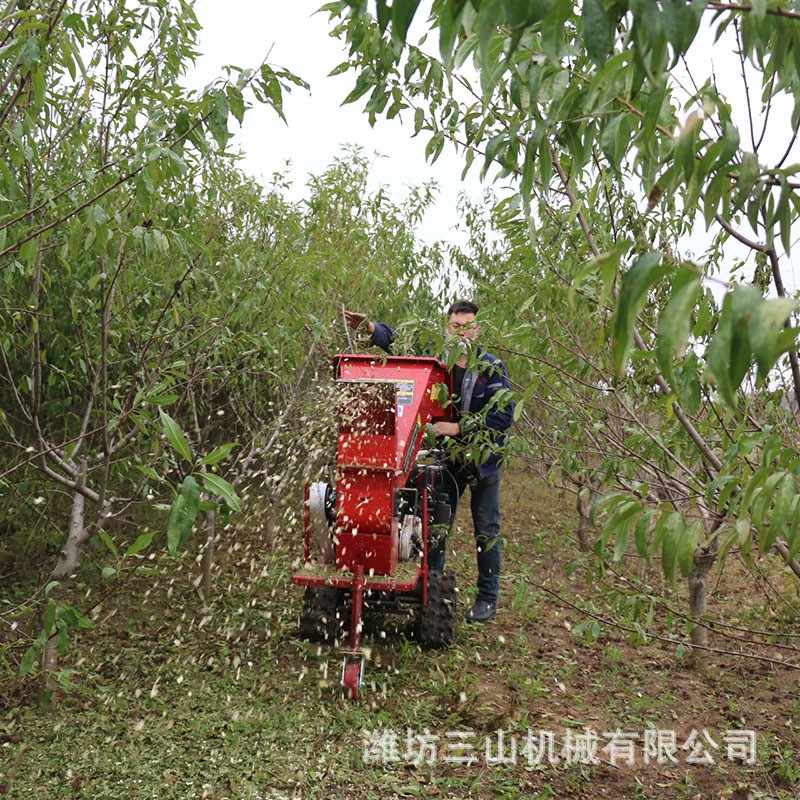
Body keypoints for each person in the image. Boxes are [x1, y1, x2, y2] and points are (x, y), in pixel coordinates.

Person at [344, 301, 514, 623]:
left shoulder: (492, 367)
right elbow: (400, 342)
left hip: (483, 462)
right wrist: (370, 328)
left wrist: (459, 428)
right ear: (447, 327)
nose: (461, 332)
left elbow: (503, 415)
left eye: (468, 327)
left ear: (477, 330)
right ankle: (431, 586)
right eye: (455, 326)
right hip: (446, 460)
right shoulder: (437, 360)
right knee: (436, 526)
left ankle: (487, 599)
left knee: (486, 530)